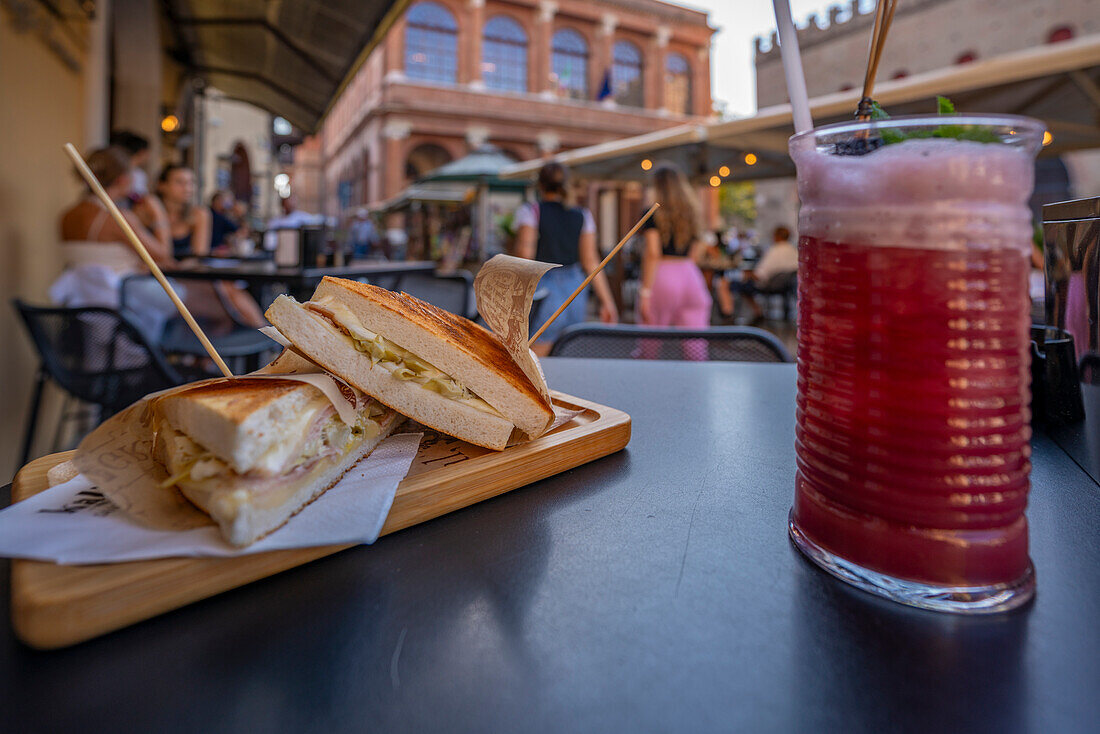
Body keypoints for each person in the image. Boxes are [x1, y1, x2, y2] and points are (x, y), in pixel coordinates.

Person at [52, 147, 260, 340]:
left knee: (222, 296)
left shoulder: (67, 216)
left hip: (91, 300)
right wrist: (158, 215)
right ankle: (265, 349)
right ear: (124, 179)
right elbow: (163, 254)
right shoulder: (117, 217)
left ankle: (198, 362)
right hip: (128, 296)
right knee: (225, 307)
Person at [514, 162, 618, 355]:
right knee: (570, 350)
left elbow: (525, 256)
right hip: (575, 288)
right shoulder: (582, 214)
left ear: (541, 185)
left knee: (538, 356)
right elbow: (590, 260)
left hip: (542, 286)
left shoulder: (531, 211)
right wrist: (607, 301)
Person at [637, 163, 712, 359]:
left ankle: (646, 381)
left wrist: (645, 293)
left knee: (650, 341)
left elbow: (653, 252)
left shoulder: (652, 213)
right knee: (696, 346)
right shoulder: (692, 212)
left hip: (662, 274)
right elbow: (696, 253)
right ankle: (695, 383)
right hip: (690, 274)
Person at [729, 225, 799, 323]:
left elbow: (760, 274)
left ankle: (756, 312)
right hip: (787, 286)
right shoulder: (793, 251)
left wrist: (748, 275)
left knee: (739, 285)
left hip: (770, 285)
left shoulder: (775, 250)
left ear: (776, 236)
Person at [157, 164, 212, 259]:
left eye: (191, 183)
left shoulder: (199, 214)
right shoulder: (150, 211)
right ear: (162, 186)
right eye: (179, 182)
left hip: (184, 272)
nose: (187, 188)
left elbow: (198, 256)